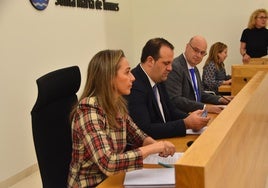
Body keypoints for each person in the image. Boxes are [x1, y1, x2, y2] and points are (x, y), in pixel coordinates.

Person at [67, 49, 176, 187]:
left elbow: (138, 135)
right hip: (93, 184)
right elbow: (109, 163)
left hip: (112, 179)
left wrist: (156, 145)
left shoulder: (116, 104)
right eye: (127, 72)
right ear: (109, 77)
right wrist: (154, 148)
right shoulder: (88, 110)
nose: (133, 77)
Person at [125, 38, 209, 140]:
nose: (170, 68)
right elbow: (145, 130)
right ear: (150, 61)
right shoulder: (134, 85)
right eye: (166, 63)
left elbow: (171, 110)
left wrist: (192, 118)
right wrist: (185, 124)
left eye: (171, 63)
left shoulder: (158, 78)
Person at [165, 35, 232, 114]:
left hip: (196, 113)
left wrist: (221, 99)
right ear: (187, 47)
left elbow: (200, 94)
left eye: (202, 53)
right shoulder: (175, 66)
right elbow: (176, 99)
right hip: (183, 117)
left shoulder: (194, 68)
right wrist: (205, 107)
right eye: (196, 50)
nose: (199, 55)